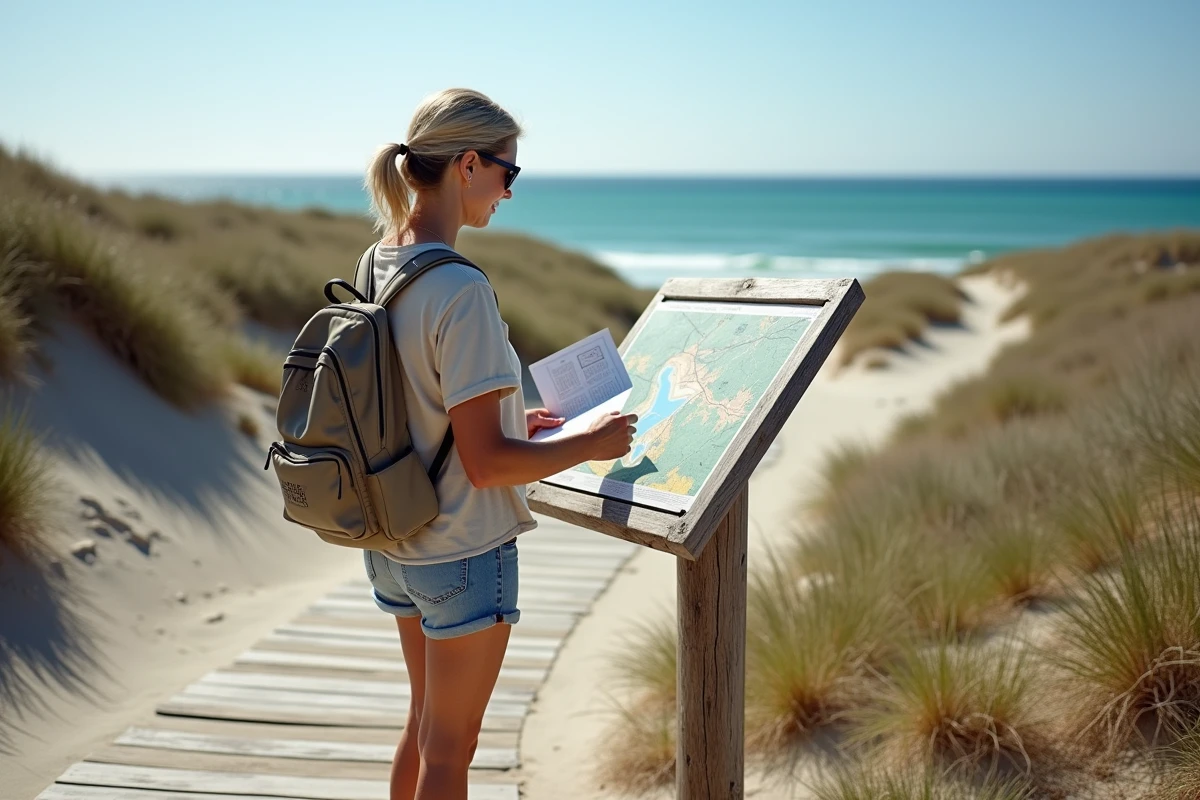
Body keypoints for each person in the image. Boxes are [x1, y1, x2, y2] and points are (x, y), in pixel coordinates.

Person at [358, 88, 638, 800]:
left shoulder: (379, 262)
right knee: (451, 753)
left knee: (424, 726)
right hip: (459, 547)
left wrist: (523, 422)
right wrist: (592, 444)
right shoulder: (459, 289)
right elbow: (486, 467)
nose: (508, 194)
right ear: (470, 165)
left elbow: (421, 405)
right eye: (509, 174)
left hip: (393, 537)